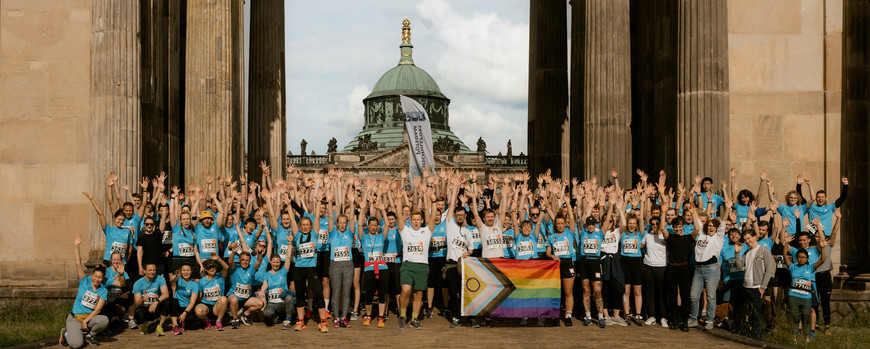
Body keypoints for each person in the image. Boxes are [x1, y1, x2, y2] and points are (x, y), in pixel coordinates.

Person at [392, 182, 436, 330]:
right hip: (408, 265)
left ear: (421, 221)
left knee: (418, 295)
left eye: (418, 219)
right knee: (405, 291)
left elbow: (434, 216)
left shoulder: (427, 231)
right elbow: (399, 215)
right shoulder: (405, 230)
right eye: (414, 219)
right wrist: (398, 200)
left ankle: (415, 319)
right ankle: (403, 315)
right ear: (410, 221)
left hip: (422, 266)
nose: (416, 222)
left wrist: (433, 200)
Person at [60, 235, 109, 348]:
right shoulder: (84, 281)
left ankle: (90, 334)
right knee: (76, 345)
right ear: (92, 275)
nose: (97, 279)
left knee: (104, 320)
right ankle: (66, 333)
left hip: (88, 319)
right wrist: (77, 246)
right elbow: (78, 264)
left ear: (103, 279)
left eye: (100, 277)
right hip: (75, 319)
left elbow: (98, 310)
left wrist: (86, 321)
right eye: (95, 276)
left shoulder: (103, 291)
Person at [688, 202, 729, 331]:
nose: (711, 227)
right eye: (709, 225)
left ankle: (710, 320)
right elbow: (698, 223)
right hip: (698, 269)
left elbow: (723, 223)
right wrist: (694, 212)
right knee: (694, 295)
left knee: (711, 296)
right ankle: (693, 319)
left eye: (713, 226)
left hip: (711, 269)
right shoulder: (701, 233)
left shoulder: (718, 237)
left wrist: (727, 208)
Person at [783, 231, 827, 344]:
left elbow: (822, 256)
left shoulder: (813, 253)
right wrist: (786, 240)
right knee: (797, 312)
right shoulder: (794, 257)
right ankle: (798, 331)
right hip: (796, 289)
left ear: (808, 240)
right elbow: (785, 252)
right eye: (800, 240)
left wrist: (822, 247)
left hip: (810, 284)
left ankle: (811, 331)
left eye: (804, 240)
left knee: (811, 309)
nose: (802, 242)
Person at [290, 216, 329, 332]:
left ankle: (323, 322)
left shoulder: (315, 234)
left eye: (307, 225)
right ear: (300, 226)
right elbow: (293, 220)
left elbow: (316, 219)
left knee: (319, 294)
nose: (305, 227)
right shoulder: (297, 235)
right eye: (303, 225)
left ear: (311, 226)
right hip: (298, 269)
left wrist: (317, 202)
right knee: (300, 296)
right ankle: (301, 321)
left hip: (311, 269)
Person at [736, 229, 775, 340]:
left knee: (756, 313)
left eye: (749, 238)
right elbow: (739, 267)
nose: (747, 241)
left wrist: (763, 287)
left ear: (755, 237)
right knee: (748, 312)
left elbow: (769, 270)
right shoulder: (746, 252)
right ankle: (749, 333)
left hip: (757, 288)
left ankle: (756, 337)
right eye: (745, 240)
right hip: (746, 286)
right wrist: (737, 253)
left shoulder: (764, 250)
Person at [84, 191, 133, 266]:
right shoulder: (109, 229)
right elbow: (100, 214)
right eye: (119, 219)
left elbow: (129, 250)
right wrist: (92, 200)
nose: (120, 221)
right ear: (114, 219)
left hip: (121, 262)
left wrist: (125, 261)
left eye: (122, 220)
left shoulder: (127, 231)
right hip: (108, 261)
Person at [226, 248, 264, 329]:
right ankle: (235, 319)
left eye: (247, 260)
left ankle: (245, 314)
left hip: (246, 299)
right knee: (234, 300)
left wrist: (259, 253)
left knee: (260, 304)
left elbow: (259, 262)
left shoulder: (252, 269)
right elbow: (229, 262)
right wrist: (233, 252)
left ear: (249, 261)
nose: (245, 262)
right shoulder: (235, 267)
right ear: (239, 260)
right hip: (233, 296)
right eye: (243, 260)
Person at [258, 253, 296, 329]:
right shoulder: (266, 275)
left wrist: (290, 243)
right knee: (267, 313)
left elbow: (288, 256)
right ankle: (277, 317)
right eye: (274, 262)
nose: (276, 264)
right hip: (272, 304)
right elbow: (265, 284)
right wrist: (262, 291)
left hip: (283, 303)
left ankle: (288, 320)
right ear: (270, 262)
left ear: (280, 262)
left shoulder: (283, 272)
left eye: (278, 262)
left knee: (289, 297)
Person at [132, 263, 170, 335]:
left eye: (154, 270)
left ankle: (160, 326)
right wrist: (143, 299)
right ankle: (144, 325)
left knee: (167, 301)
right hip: (144, 307)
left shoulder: (160, 279)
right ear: (144, 271)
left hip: (156, 307)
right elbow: (137, 303)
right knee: (138, 310)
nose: (152, 272)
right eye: (149, 270)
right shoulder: (138, 283)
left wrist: (156, 302)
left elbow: (166, 294)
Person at [195, 254, 229, 331]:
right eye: (209, 267)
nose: (212, 269)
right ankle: (206, 320)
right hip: (206, 305)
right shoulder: (202, 281)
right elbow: (200, 296)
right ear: (205, 269)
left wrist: (218, 259)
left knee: (224, 299)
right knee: (198, 311)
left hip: (217, 306)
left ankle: (219, 321)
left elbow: (226, 267)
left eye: (213, 267)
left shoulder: (220, 277)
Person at [166, 264, 199, 335]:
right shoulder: (179, 279)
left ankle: (183, 322)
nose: (186, 272)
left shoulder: (194, 284)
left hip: (187, 308)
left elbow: (192, 302)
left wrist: (184, 313)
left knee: (193, 325)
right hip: (177, 307)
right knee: (173, 301)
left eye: (188, 270)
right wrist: (176, 275)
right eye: (184, 270)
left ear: (191, 271)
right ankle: (175, 326)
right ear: (181, 271)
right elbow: (171, 280)